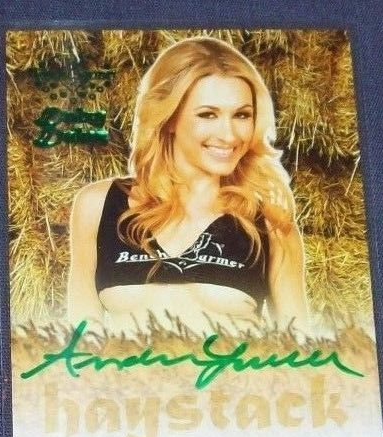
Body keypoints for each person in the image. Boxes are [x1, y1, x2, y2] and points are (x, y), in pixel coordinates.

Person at [67, 37, 308, 337]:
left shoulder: (270, 224)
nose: (229, 135)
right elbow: (80, 339)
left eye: (241, 115)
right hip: (129, 369)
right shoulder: (97, 205)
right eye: (208, 114)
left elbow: (300, 347)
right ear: (169, 118)